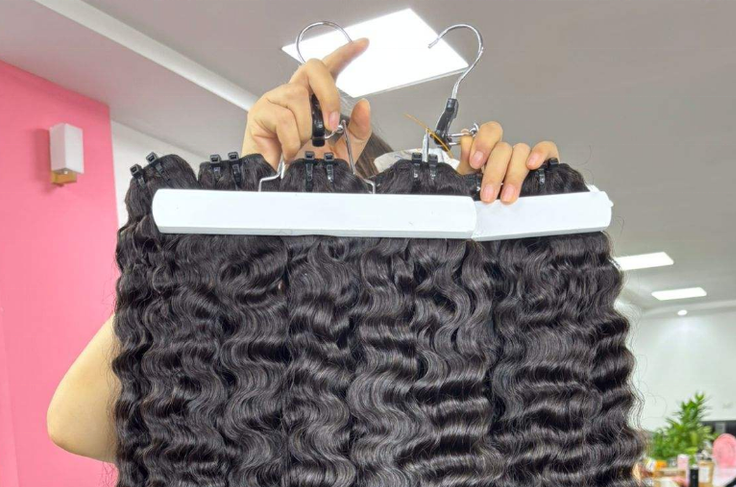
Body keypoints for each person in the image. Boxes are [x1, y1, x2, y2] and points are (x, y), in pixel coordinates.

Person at [47, 37, 559, 459]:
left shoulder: (453, 371)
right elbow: (74, 425)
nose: (326, 259)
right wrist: (242, 207)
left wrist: (500, 252)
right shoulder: (245, 386)